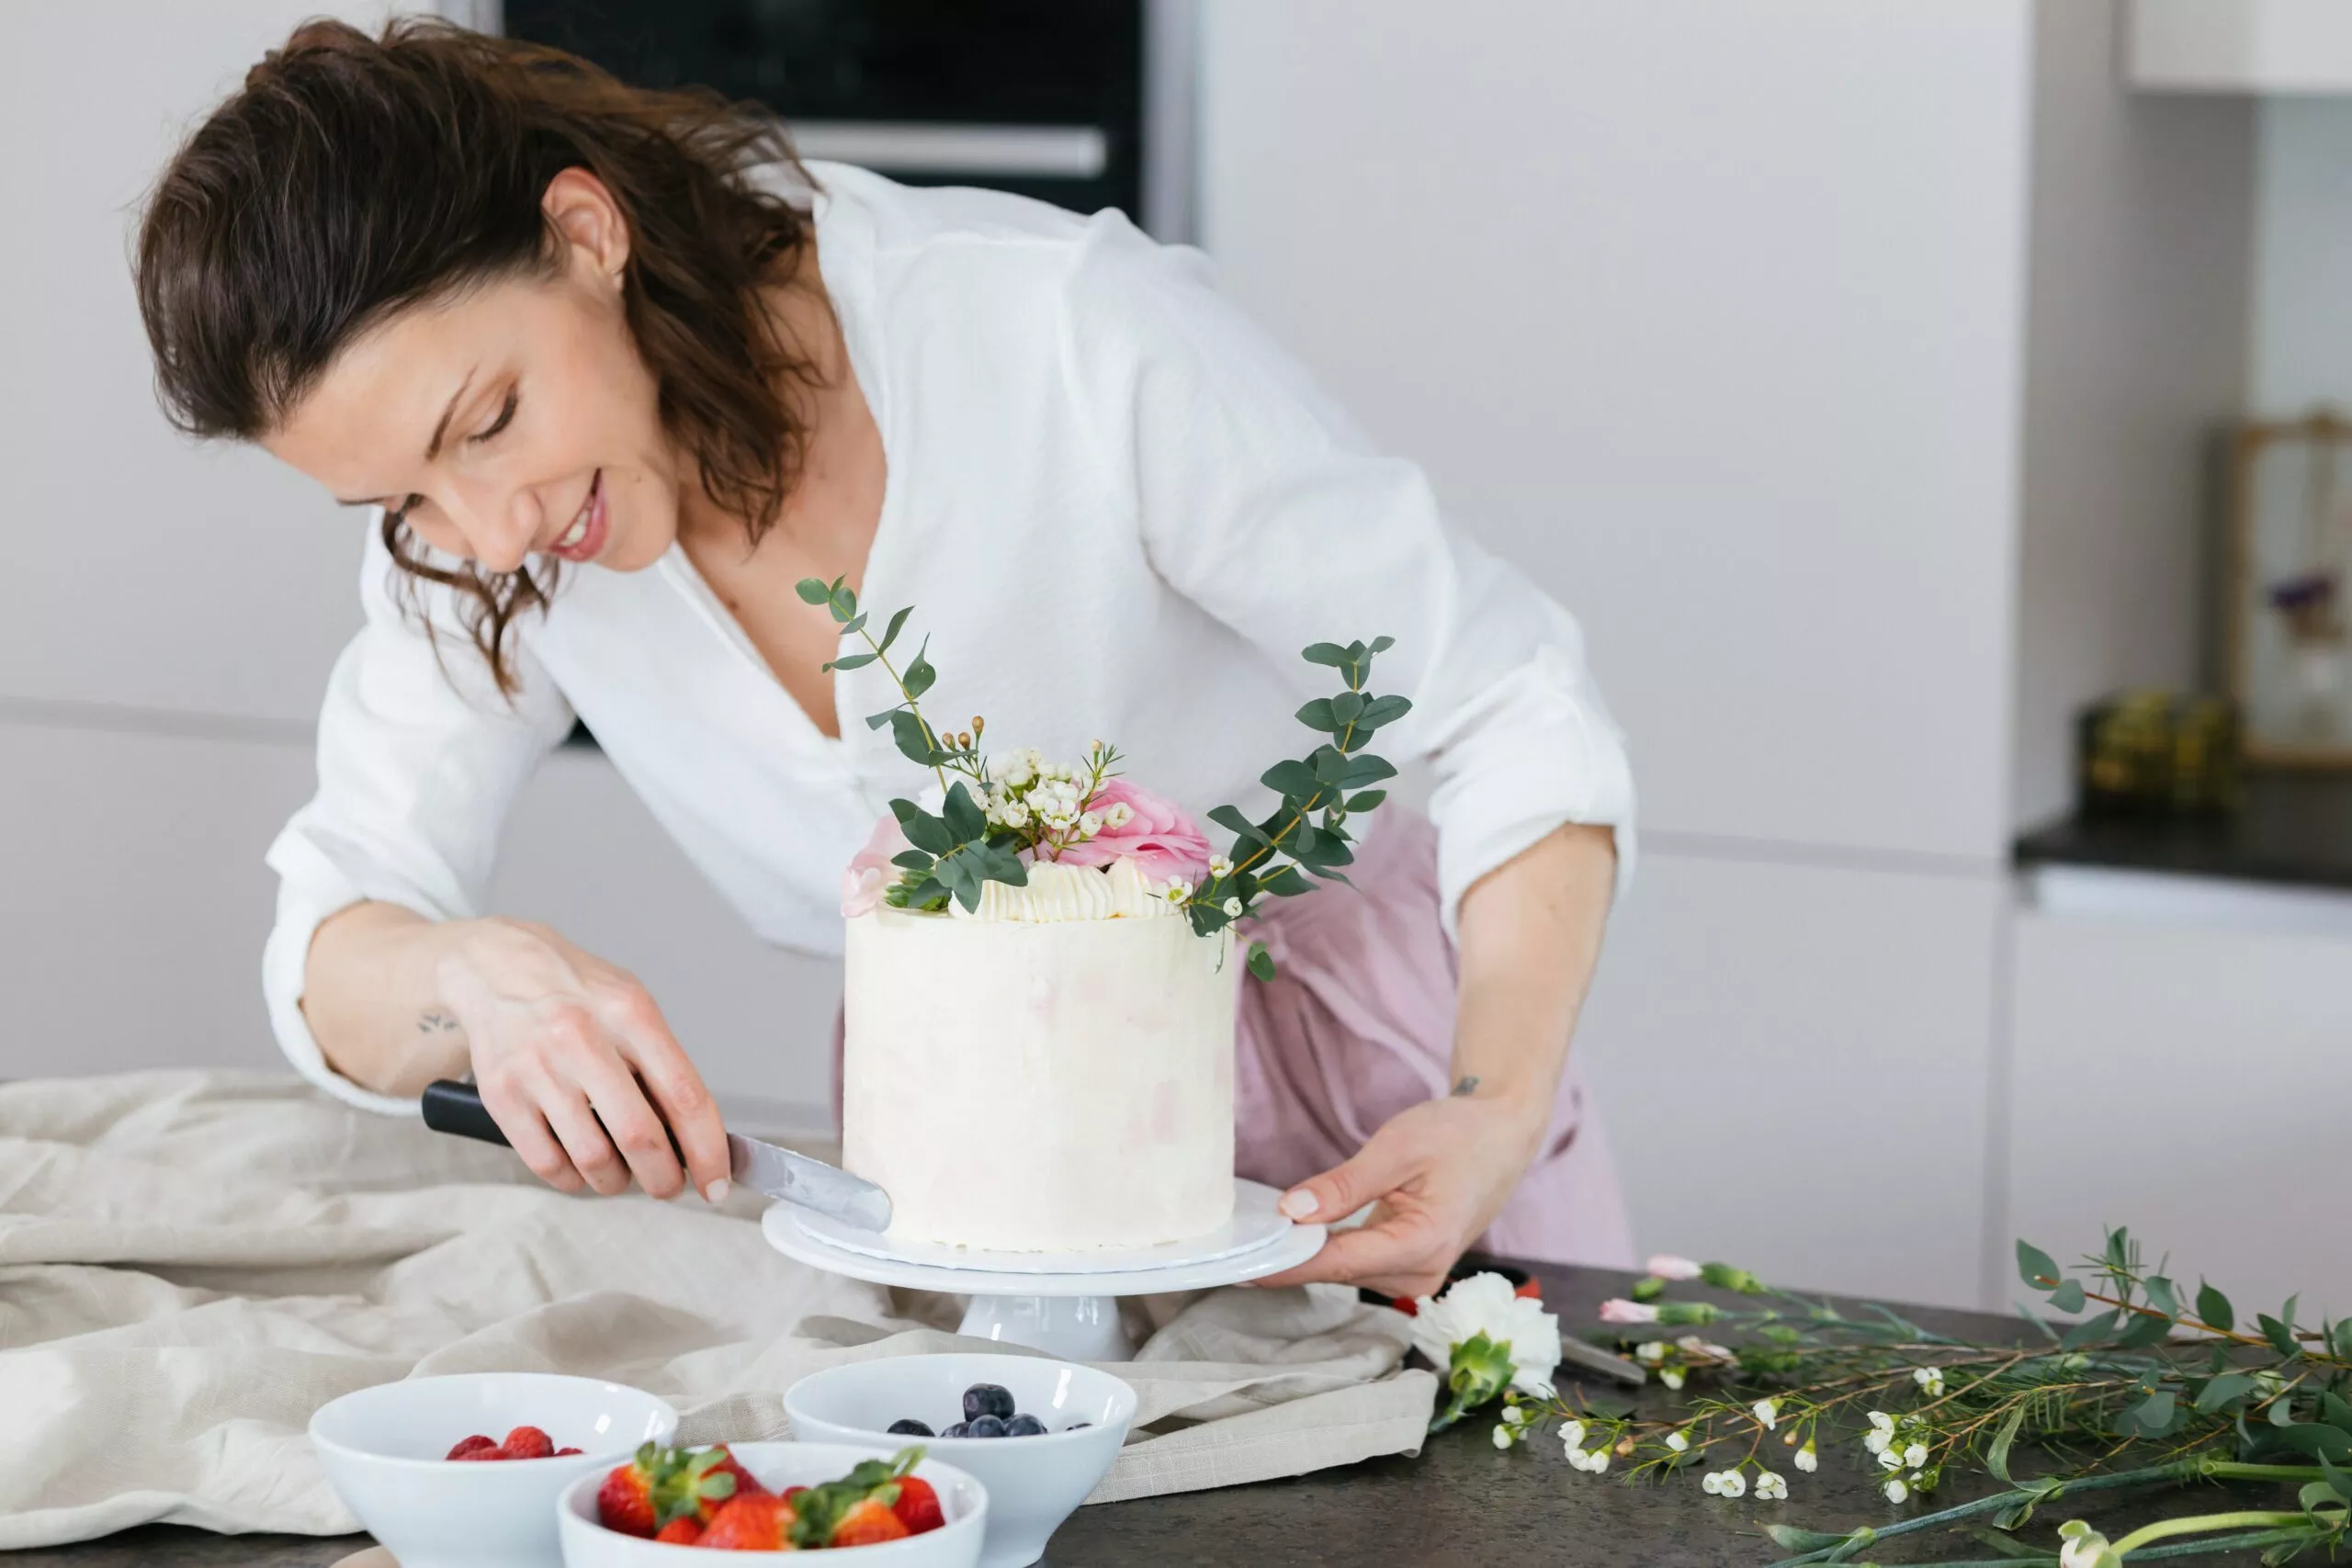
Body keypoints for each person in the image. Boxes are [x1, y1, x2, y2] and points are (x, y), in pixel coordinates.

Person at [135, 18, 1636, 1299]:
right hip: (970, 1158)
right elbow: (331, 932)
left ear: (586, 236)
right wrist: (474, 981)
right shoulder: (478, 546)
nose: (486, 526)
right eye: (399, 494)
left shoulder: (1055, 333)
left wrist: (1487, 1109)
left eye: (487, 421)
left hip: (1369, 1089)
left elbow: (1509, 699)